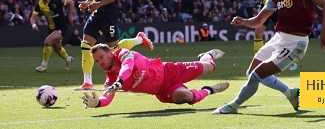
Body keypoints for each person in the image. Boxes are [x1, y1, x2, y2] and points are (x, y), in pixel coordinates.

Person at [212, 0, 325, 114]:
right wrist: (243, 21)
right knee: (251, 72)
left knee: (256, 75)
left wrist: (324, 30)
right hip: (278, 39)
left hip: (295, 42)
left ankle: (233, 106)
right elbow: (258, 20)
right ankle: (291, 93)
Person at [75, 0, 154, 91]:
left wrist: (98, 4)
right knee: (86, 45)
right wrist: (87, 3)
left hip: (109, 13)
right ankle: (87, 82)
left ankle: (139, 40)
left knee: (114, 50)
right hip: (97, 13)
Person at [81, 44, 229, 108]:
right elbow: (107, 97)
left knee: (210, 67)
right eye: (97, 61)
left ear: (110, 53)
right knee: (186, 97)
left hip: (169, 71)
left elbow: (128, 66)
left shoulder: (124, 53)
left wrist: (120, 81)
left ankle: (207, 55)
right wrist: (98, 103)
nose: (100, 62)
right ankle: (209, 90)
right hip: (161, 91)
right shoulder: (110, 79)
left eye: (101, 57)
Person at [30, 0, 75, 72]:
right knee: (57, 48)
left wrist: (70, 16)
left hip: (62, 27)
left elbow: (71, 2)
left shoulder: (57, 0)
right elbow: (32, 17)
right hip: (51, 28)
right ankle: (68, 59)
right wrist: (33, 25)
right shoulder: (39, 4)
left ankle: (44, 66)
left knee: (47, 41)